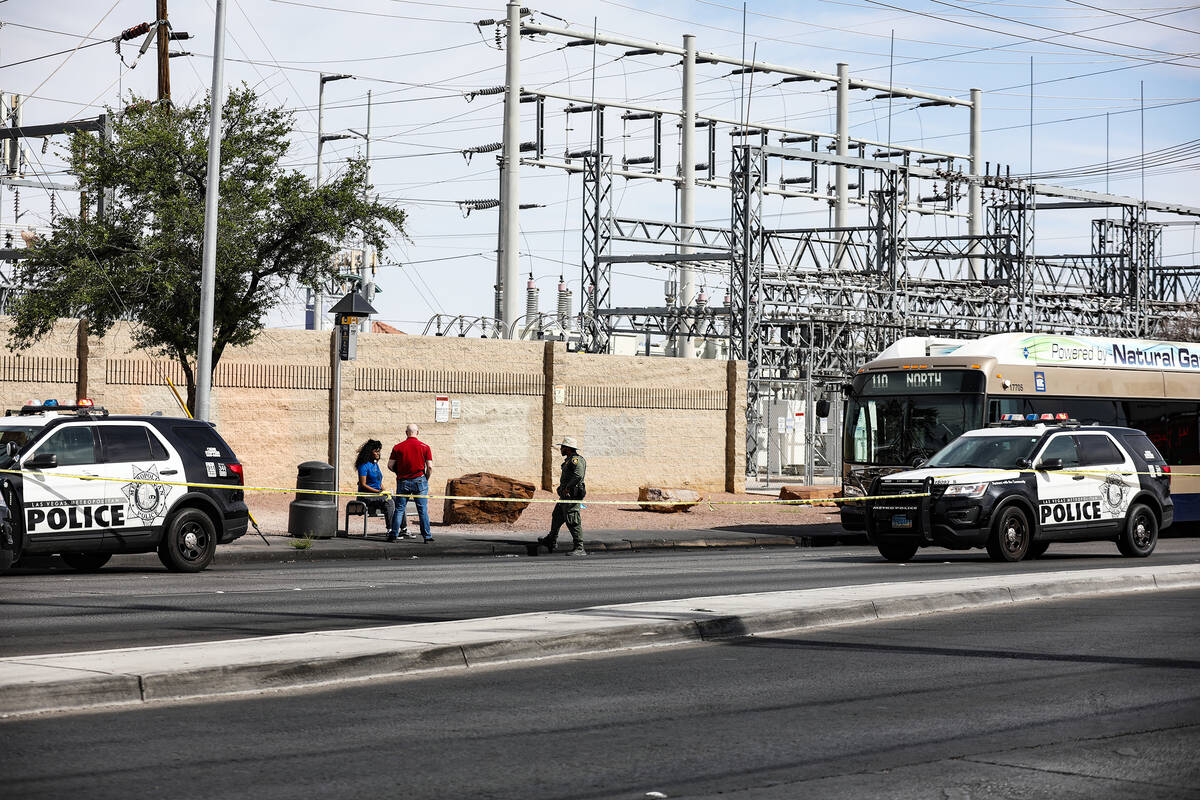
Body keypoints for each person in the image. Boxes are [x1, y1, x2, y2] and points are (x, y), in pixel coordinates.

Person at [537, 436, 587, 556]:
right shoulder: (569, 459)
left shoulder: (576, 460)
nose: (561, 449)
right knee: (557, 515)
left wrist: (567, 487)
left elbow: (578, 476)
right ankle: (551, 540)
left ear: (568, 448)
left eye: (562, 447)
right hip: (565, 496)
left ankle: (580, 548)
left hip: (571, 495)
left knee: (572, 520)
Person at [388, 423, 434, 542]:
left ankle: (393, 534)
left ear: (406, 433)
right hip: (420, 479)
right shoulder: (425, 447)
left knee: (399, 509)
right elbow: (429, 467)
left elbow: (390, 465)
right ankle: (427, 536)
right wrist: (426, 478)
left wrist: (398, 473)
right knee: (422, 509)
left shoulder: (398, 447)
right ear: (417, 433)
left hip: (403, 480)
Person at [354, 439, 408, 540]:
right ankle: (391, 530)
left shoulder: (375, 464)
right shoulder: (363, 466)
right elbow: (363, 484)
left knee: (398, 500)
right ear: (370, 452)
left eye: (379, 451)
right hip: (367, 496)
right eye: (376, 451)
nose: (378, 453)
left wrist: (385, 491)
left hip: (377, 494)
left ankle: (403, 529)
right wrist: (379, 492)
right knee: (388, 501)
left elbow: (379, 482)